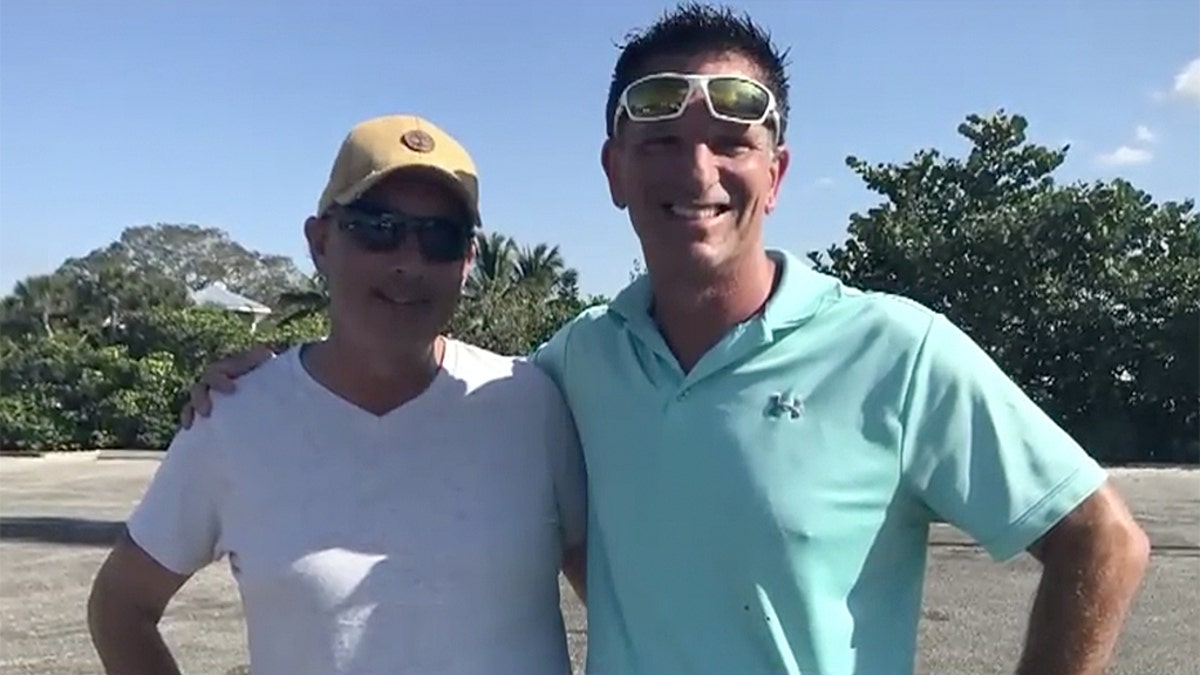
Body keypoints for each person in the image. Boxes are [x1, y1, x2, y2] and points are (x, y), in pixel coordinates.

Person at [180, 4, 1151, 674]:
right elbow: (469, 426)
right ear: (614, 169)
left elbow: (1103, 542)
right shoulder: (571, 368)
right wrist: (275, 376)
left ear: (777, 173)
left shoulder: (896, 349)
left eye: (731, 142)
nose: (697, 168)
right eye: (658, 141)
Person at [87, 114, 588, 675]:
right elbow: (121, 605)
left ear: (468, 262)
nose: (408, 261)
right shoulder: (234, 418)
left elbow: (619, 595)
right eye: (378, 227)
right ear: (320, 241)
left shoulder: (531, 404)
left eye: (441, 238)